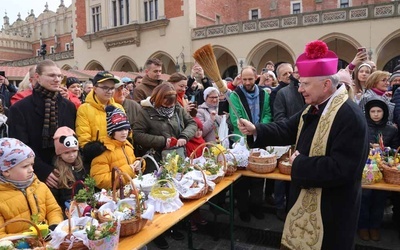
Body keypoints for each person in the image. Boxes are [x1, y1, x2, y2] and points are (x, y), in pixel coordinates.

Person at [238, 40, 368, 249]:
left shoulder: (349, 116)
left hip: (331, 211)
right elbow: (287, 128)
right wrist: (256, 130)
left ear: (326, 84)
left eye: (305, 83)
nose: (299, 89)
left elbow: (343, 169)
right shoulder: (314, 108)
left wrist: (299, 164)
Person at [8, 59, 76, 186]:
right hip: (34, 174)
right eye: (51, 75)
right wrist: (43, 171)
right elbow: (21, 147)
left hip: (66, 172)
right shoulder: (19, 109)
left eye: (59, 76)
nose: (57, 79)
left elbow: (72, 140)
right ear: (37, 78)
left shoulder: (68, 106)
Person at [229, 66, 272, 222]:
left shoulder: (263, 94)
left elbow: (267, 113)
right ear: (240, 78)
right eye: (244, 79)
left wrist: (259, 129)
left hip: (259, 138)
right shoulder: (235, 95)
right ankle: (243, 209)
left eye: (250, 79)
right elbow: (235, 118)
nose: (247, 82)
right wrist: (248, 131)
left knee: (258, 176)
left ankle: (256, 206)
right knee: (242, 178)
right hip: (242, 140)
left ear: (256, 78)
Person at [0, 138, 63, 237]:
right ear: (6, 171)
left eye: (32, 165)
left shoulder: (40, 186)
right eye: (25, 166)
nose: (31, 170)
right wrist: (27, 239)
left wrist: (55, 225)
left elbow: (53, 210)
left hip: (47, 242)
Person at [358, 99, 398, 241]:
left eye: (379, 111)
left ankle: (375, 226)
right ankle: (362, 226)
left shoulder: (391, 129)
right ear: (368, 113)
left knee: (379, 199)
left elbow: (395, 151)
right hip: (365, 169)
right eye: (373, 111)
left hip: (383, 170)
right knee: (364, 198)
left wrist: (385, 150)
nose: (376, 114)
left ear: (385, 112)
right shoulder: (361, 126)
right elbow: (354, 146)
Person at [133, 82, 197, 172]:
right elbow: (137, 135)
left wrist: (184, 136)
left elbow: (192, 123)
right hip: (155, 161)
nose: (169, 108)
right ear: (158, 100)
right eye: (165, 105)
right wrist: (163, 141)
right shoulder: (145, 112)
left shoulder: (177, 109)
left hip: (177, 155)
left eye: (171, 105)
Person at [272, 63, 305, 222]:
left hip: (305, 140)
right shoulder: (283, 93)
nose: (298, 74)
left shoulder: (309, 90)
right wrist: (294, 129)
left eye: (300, 72)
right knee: (281, 175)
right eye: (296, 72)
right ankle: (279, 205)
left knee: (299, 174)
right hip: (287, 139)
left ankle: (296, 206)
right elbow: (279, 117)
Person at [75, 71, 124, 154]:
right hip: (98, 157)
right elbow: (83, 141)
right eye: (105, 88)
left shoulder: (118, 107)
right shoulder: (84, 109)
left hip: (119, 155)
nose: (109, 91)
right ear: (95, 88)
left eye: (112, 88)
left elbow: (127, 133)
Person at [90, 106, 137, 189]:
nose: (124, 133)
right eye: (119, 130)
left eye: (126, 129)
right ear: (112, 131)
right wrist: (128, 171)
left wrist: (139, 163)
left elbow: (132, 165)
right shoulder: (103, 150)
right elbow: (101, 181)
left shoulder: (127, 145)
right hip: (114, 196)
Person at [52, 126, 86, 211]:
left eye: (74, 151)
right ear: (59, 154)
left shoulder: (81, 166)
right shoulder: (57, 172)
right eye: (66, 152)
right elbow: (55, 198)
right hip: (68, 210)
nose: (71, 155)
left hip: (84, 207)